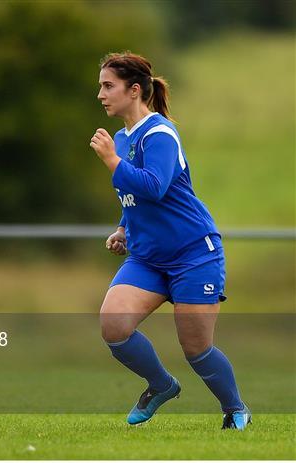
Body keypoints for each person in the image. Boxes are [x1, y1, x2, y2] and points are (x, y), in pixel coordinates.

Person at [89, 51, 251, 430]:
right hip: (149, 258)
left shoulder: (159, 133)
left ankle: (235, 409)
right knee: (113, 325)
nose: (100, 94)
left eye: (107, 86)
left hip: (194, 255)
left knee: (197, 350)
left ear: (134, 90)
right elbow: (134, 197)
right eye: (100, 86)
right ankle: (161, 385)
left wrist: (113, 162)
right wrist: (124, 228)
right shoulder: (121, 137)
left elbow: (156, 187)